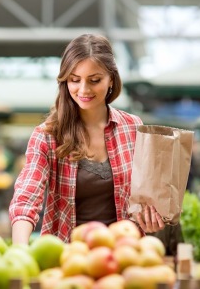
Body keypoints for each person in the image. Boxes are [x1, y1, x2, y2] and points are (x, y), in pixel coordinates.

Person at [9, 34, 165, 244]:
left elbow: (147, 197)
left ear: (111, 79)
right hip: (68, 257)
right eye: (75, 80)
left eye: (94, 80)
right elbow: (27, 195)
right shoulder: (47, 135)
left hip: (124, 254)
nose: (83, 90)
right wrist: (20, 248)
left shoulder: (133, 127)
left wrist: (152, 218)